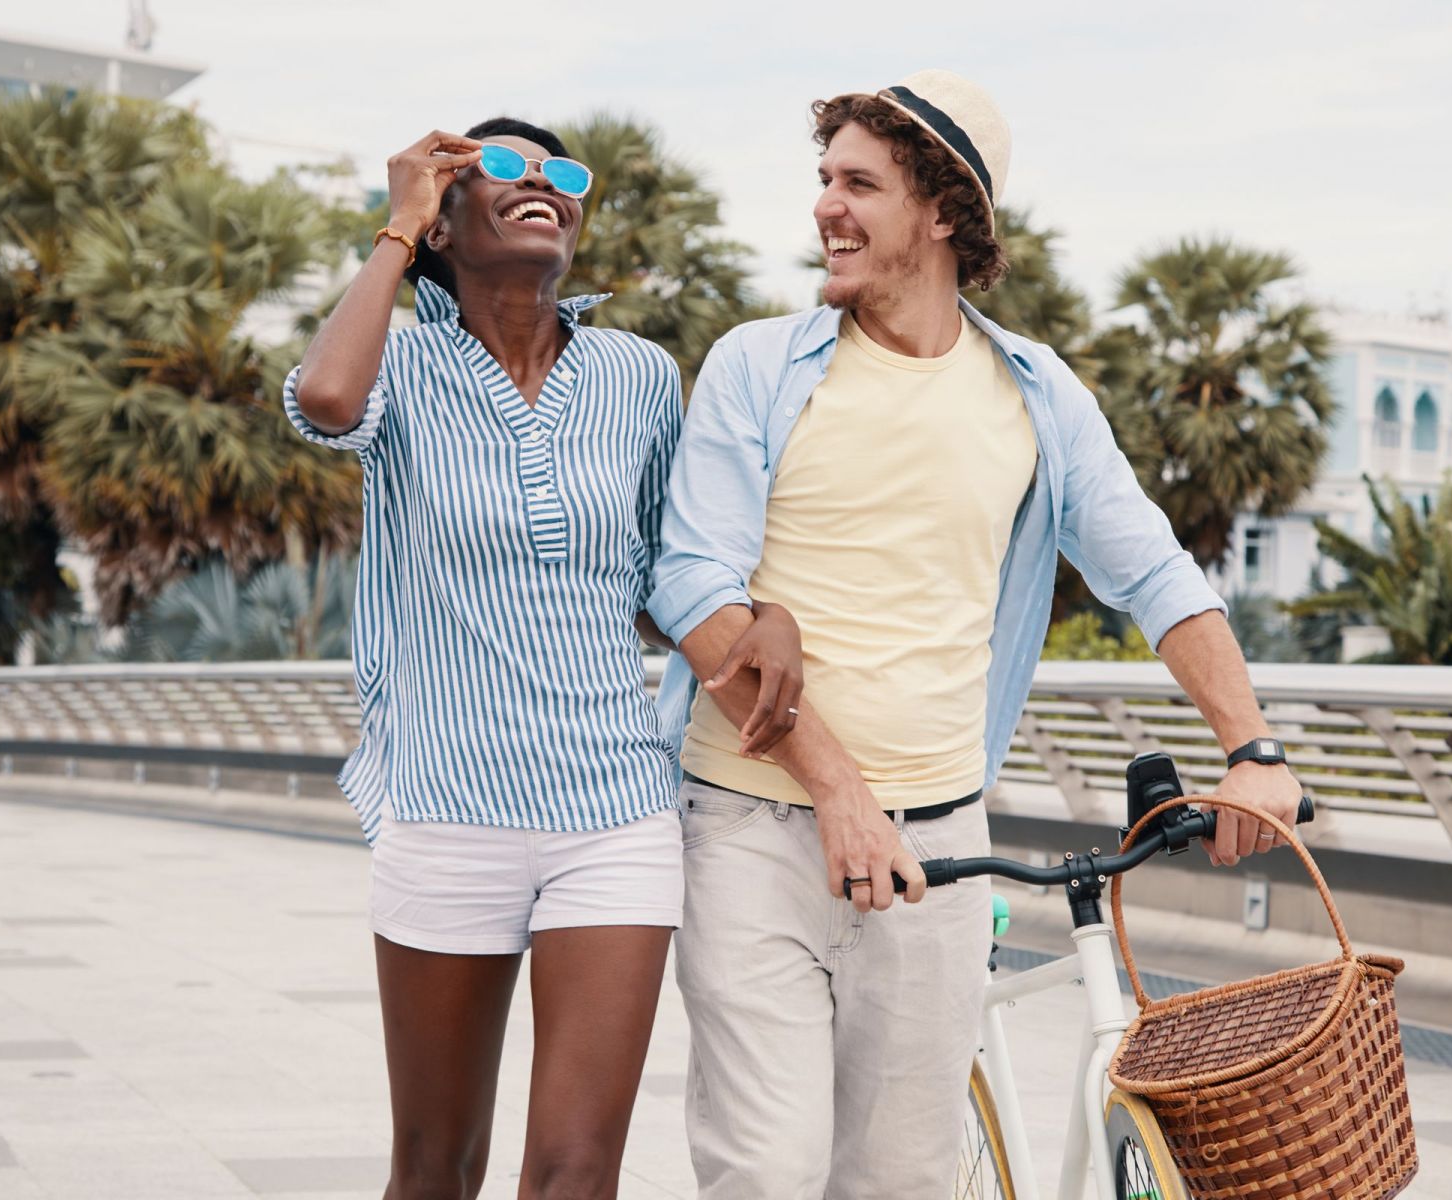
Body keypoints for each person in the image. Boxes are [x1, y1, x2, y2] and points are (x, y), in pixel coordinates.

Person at [646, 71, 1306, 1197]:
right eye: (823, 180)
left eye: (859, 183)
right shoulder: (761, 366)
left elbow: (1151, 572)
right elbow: (696, 590)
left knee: (899, 1183)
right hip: (752, 832)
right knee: (768, 1170)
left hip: (938, 849)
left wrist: (1252, 749)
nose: (825, 207)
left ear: (944, 211)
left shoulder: (1035, 395)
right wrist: (839, 791)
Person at [284, 117, 801, 1200]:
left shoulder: (639, 375)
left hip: (613, 811)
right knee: (435, 1168)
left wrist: (766, 616)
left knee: (575, 1171)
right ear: (446, 220)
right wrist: (395, 226)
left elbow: (671, 574)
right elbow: (327, 403)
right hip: (447, 803)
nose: (542, 187)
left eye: (562, 175)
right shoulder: (403, 359)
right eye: (504, 169)